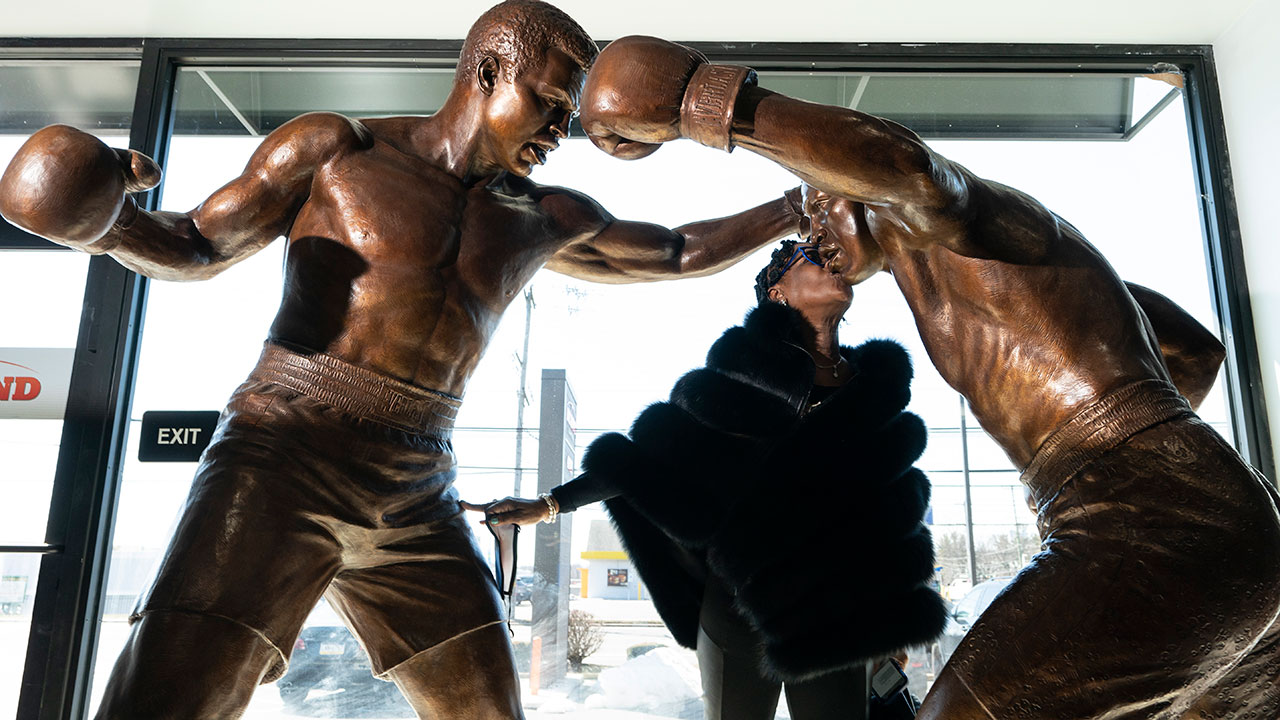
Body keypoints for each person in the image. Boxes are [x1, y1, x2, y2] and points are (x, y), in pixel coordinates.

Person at [0, 7, 808, 718]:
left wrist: (792, 205)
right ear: (490, 70)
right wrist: (103, 223)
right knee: (167, 700)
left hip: (417, 487)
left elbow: (673, 252)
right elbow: (196, 243)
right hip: (282, 457)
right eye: (552, 101)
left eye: (570, 111)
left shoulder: (542, 216)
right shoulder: (337, 149)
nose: (562, 128)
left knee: (488, 708)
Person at [574, 36, 1280, 720]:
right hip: (1226, 519)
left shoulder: (957, 216)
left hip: (1150, 520)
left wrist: (694, 96)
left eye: (819, 205)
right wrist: (1133, 454)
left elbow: (902, 163)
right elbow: (1195, 350)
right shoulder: (1028, 272)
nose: (812, 231)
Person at [468, 238, 944, 719]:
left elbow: (887, 519)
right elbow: (641, 464)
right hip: (740, 604)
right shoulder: (733, 379)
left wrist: (892, 614)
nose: (831, 261)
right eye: (812, 257)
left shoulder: (874, 392)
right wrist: (548, 505)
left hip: (838, 610)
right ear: (778, 292)